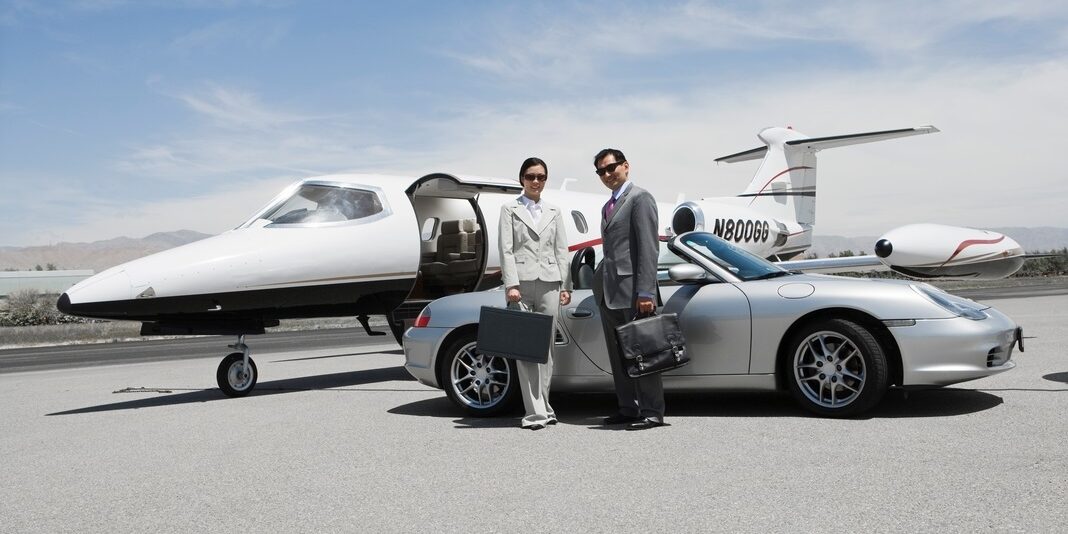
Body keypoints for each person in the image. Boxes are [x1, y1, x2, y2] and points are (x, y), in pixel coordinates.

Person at [591, 148, 666, 430]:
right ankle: (628, 408)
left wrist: (646, 291)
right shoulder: (608, 205)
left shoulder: (640, 198)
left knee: (643, 353)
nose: (607, 175)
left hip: (635, 293)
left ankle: (652, 412)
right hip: (610, 293)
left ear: (625, 166)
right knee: (619, 354)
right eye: (601, 171)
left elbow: (649, 247)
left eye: (611, 168)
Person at [498, 157, 573, 430]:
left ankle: (545, 405)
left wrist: (566, 285)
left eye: (541, 176)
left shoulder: (554, 210)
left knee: (547, 350)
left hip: (551, 282)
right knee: (525, 349)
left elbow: (561, 249)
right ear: (522, 179)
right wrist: (511, 285)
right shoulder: (509, 209)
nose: (536, 181)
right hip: (522, 284)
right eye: (530, 176)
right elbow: (506, 249)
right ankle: (534, 413)